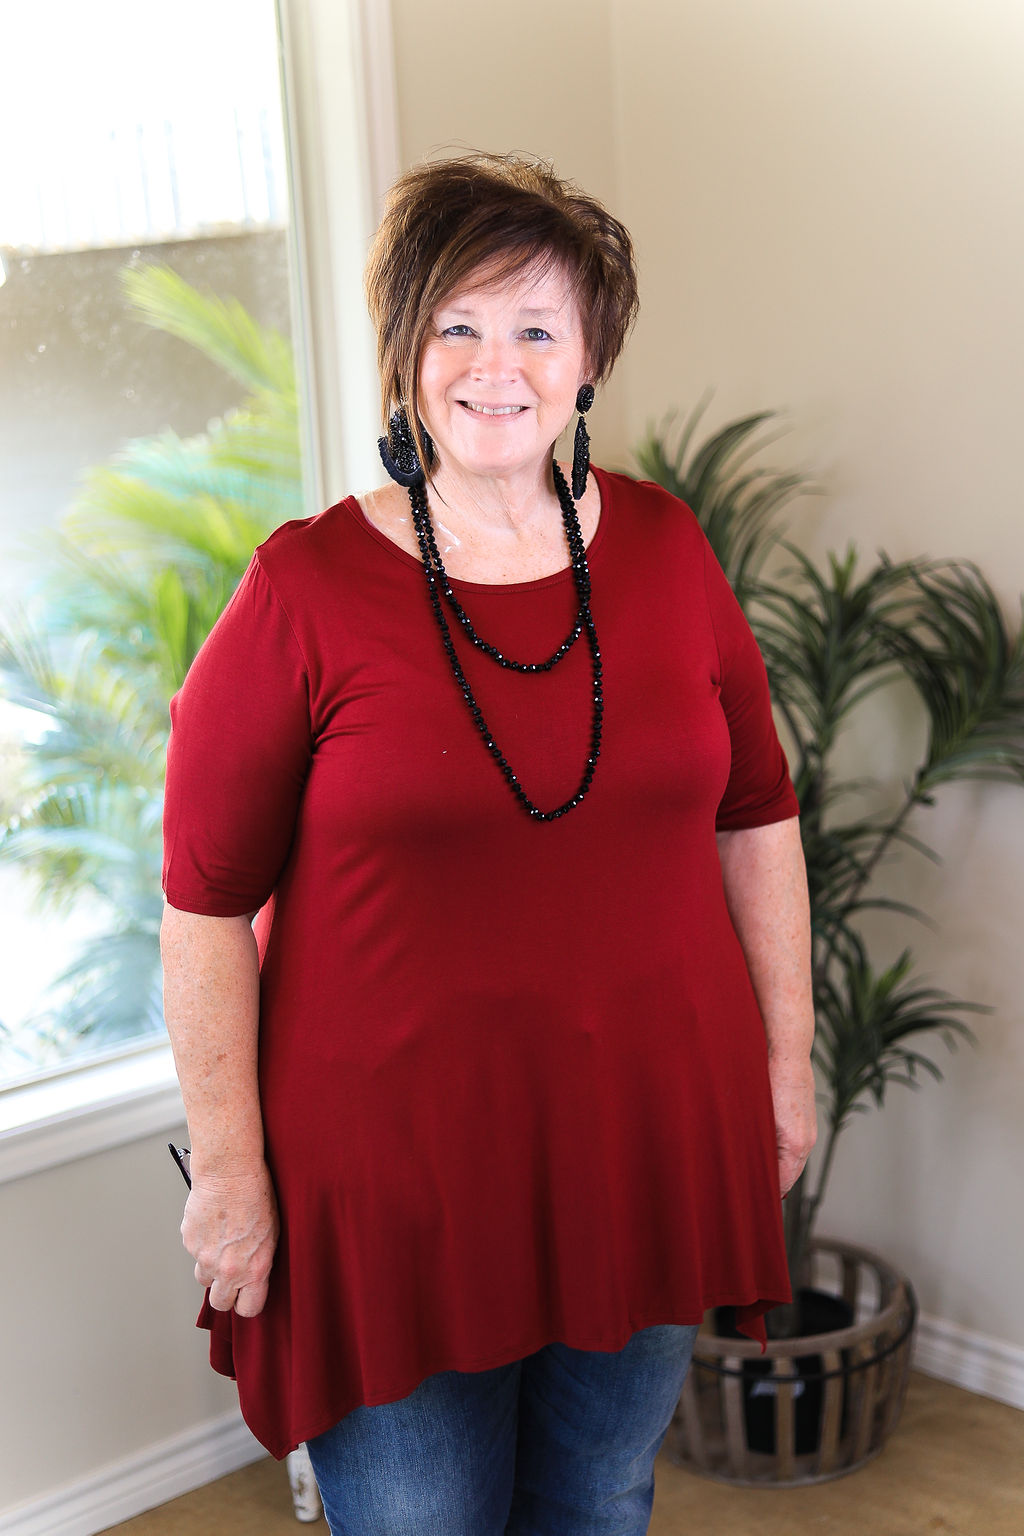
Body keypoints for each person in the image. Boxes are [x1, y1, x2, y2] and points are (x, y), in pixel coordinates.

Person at [160, 151, 817, 1536]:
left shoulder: (668, 549)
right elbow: (205, 900)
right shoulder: (303, 588)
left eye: (535, 327)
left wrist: (784, 1065)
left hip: (645, 1139)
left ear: (588, 363)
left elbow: (756, 810)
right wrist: (229, 1173)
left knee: (599, 1497)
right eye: (455, 324)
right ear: (406, 358)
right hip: (389, 1186)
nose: (493, 363)